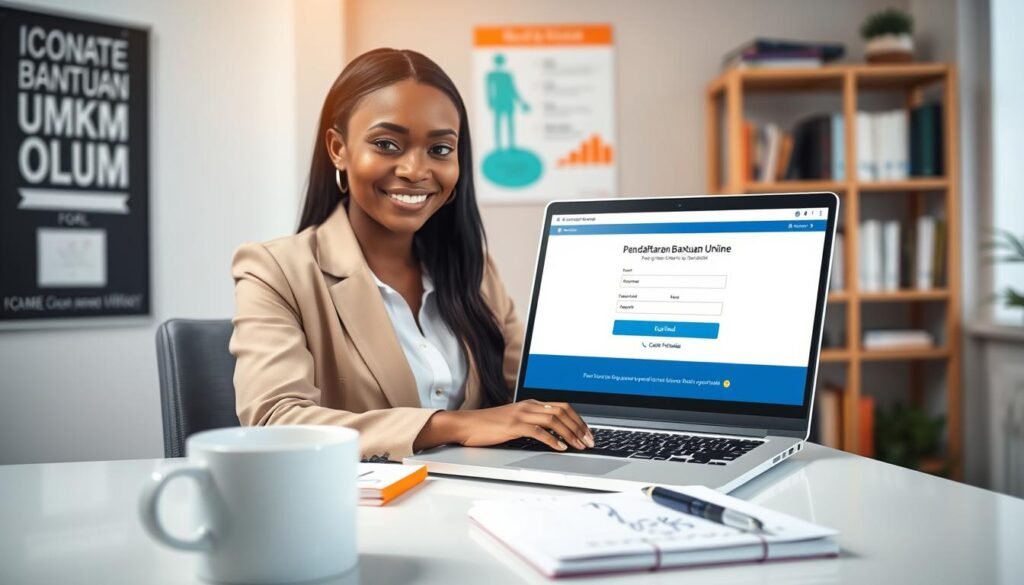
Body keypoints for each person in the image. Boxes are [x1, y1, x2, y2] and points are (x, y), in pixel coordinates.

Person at [230, 48, 594, 462]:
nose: (416, 170)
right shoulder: (274, 271)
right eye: (387, 144)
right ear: (338, 148)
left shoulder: (472, 268)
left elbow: (526, 396)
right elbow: (274, 422)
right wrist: (455, 424)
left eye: (440, 150)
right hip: (362, 514)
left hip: (483, 502)